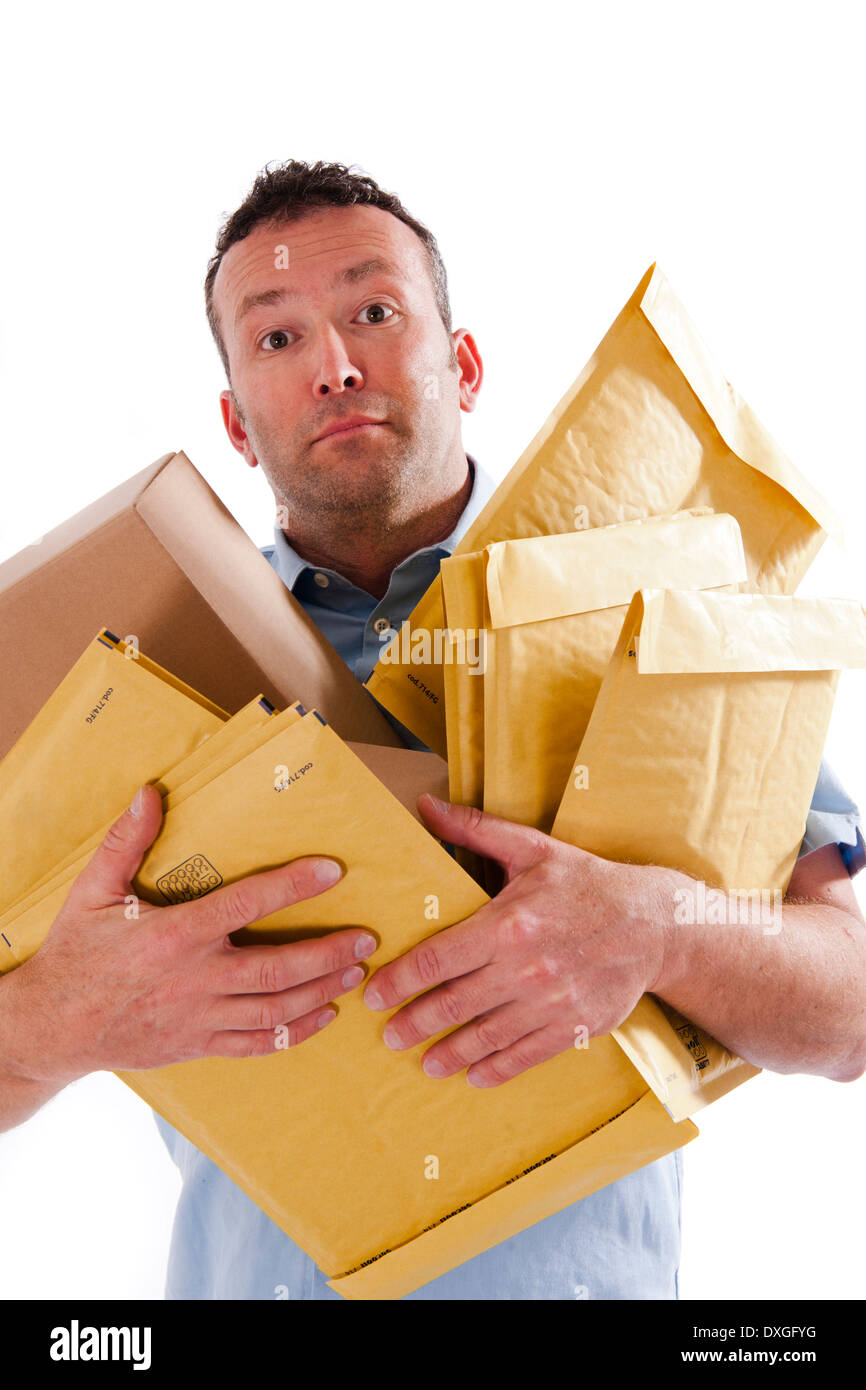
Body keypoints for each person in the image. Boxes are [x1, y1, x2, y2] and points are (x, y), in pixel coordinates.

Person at [1, 161, 864, 1302]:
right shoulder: (128, 672)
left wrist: (657, 930)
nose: (335, 365)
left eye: (372, 311)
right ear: (235, 426)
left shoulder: (652, 614)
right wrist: (58, 1020)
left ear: (461, 362)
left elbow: (848, 999)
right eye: (276, 340)